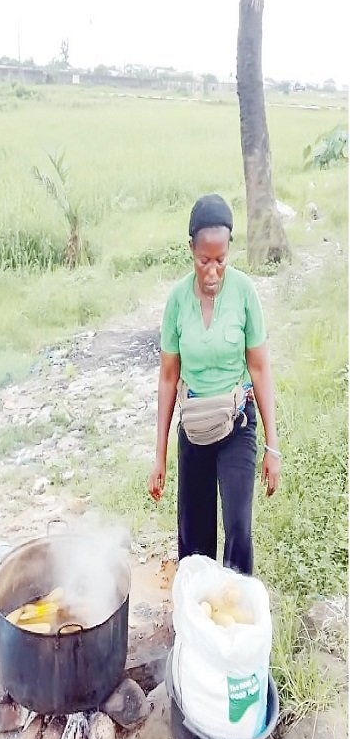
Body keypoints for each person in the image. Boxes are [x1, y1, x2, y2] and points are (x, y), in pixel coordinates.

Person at [148, 193, 280, 574]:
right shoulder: (176, 301)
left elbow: (260, 370)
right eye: (204, 260)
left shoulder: (244, 294)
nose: (212, 272)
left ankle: (236, 626)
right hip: (194, 428)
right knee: (193, 539)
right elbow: (169, 377)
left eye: (220, 261)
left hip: (237, 424)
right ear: (191, 250)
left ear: (228, 253)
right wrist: (159, 456)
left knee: (238, 528)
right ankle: (198, 623)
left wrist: (273, 447)